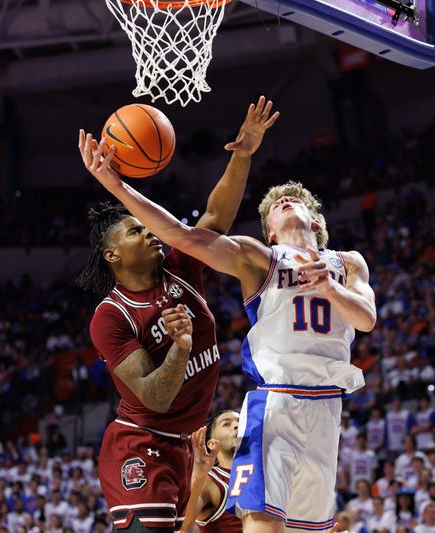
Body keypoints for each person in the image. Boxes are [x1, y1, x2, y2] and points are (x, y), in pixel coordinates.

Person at [81, 116, 376, 533]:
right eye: (273, 206)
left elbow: (366, 319)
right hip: (234, 415)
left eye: (295, 202)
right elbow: (181, 233)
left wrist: (242, 158)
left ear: (316, 221)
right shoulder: (259, 259)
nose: (284, 203)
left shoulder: (347, 263)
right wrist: (114, 184)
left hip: (314, 409)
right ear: (269, 233)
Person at [78, 97, 280, 532]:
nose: (149, 231)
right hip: (141, 444)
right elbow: (155, 397)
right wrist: (181, 348)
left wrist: (243, 155)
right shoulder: (111, 316)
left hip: (189, 444)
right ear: (112, 254)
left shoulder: (180, 269)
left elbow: (214, 218)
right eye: (136, 230)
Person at [183, 410, 242, 533]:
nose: (237, 425)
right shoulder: (211, 480)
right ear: (211, 443)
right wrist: (198, 477)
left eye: (240, 422)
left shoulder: (265, 473)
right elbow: (183, 525)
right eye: (226, 424)